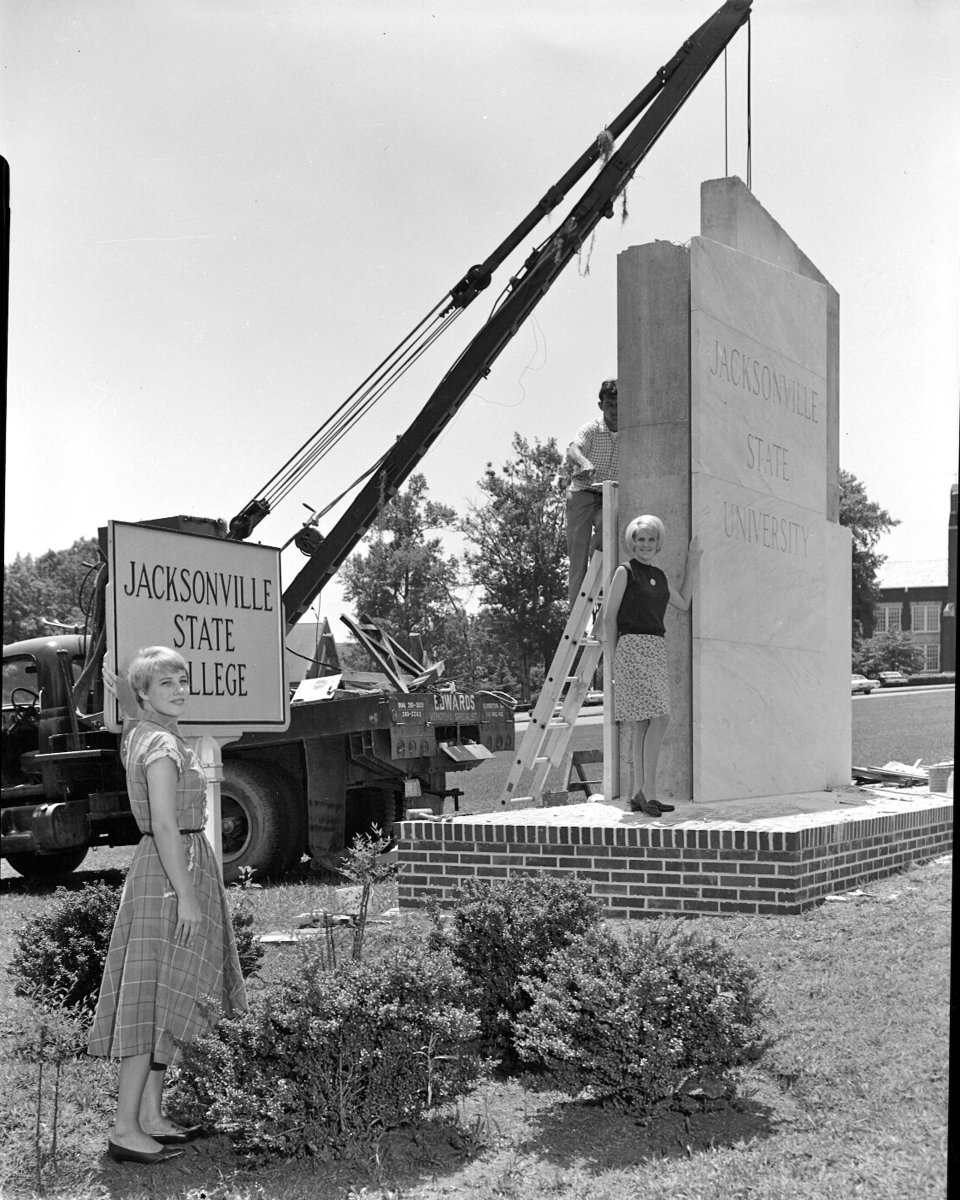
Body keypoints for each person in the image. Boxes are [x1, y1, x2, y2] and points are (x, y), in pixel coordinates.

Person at [88, 647, 247, 1165]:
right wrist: (185, 897)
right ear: (144, 694)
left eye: (182, 680)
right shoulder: (158, 743)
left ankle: (152, 1117)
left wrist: (126, 701)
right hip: (169, 870)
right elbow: (161, 823)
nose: (179, 689)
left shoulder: (143, 731)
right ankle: (124, 1129)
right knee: (152, 1001)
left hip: (176, 865)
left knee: (168, 994)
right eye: (165, 684)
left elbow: (136, 722)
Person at [598, 515, 700, 816]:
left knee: (644, 723)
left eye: (651, 539)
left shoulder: (659, 576)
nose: (645, 544)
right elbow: (608, 618)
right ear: (632, 541)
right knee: (661, 718)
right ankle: (648, 793)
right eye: (640, 539)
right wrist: (615, 661)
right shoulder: (624, 572)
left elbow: (682, 602)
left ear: (658, 544)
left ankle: (637, 795)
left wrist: (692, 563)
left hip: (655, 648)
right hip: (631, 648)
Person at [565, 378, 619, 605]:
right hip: (583, 493)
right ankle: (574, 614)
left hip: (608, 494)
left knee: (608, 536)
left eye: (620, 404)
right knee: (578, 558)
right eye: (610, 405)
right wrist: (584, 463)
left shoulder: (635, 429)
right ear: (601, 406)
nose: (615, 411)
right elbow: (573, 448)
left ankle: (600, 595)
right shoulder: (592, 429)